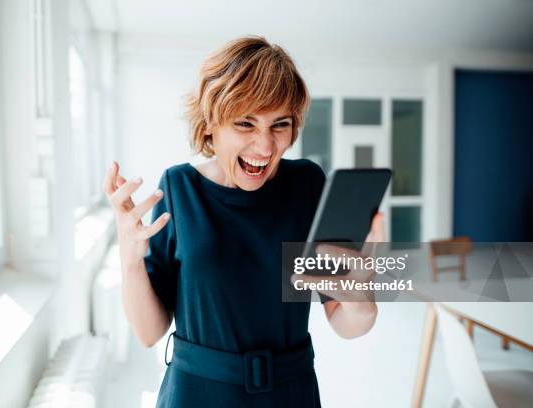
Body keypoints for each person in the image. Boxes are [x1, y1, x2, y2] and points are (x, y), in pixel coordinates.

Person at [104, 36, 385, 407]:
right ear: (209, 126)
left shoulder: (307, 185)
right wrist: (129, 259)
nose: (265, 146)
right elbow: (148, 331)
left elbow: (344, 321)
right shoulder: (178, 188)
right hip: (197, 393)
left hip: (291, 393)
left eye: (279, 125)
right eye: (245, 124)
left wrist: (362, 302)